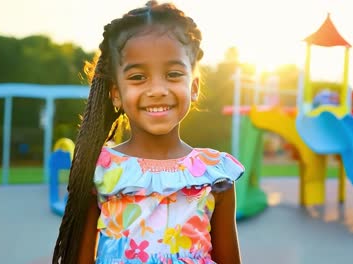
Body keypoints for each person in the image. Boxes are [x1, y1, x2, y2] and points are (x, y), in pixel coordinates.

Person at [53, 1, 244, 263]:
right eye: (138, 77)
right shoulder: (99, 170)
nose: (157, 89)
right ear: (116, 94)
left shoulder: (215, 174)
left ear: (194, 87)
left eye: (174, 74)